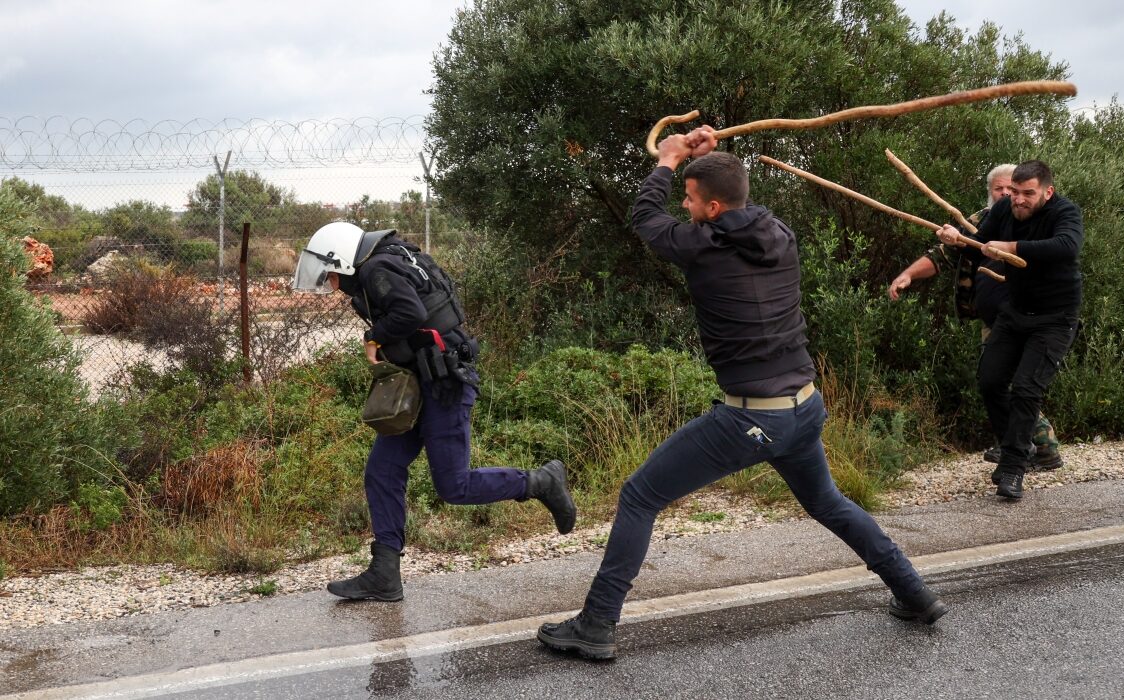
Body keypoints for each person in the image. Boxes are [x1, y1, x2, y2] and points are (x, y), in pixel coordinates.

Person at [536, 128, 946, 661]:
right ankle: (914, 593)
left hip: (754, 419)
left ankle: (595, 625)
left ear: (710, 207)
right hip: (803, 406)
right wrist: (705, 162)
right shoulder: (780, 232)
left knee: (640, 495)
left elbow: (644, 217)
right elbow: (738, 202)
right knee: (827, 502)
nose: (681, 207)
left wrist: (667, 160)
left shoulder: (703, 248)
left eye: (689, 200)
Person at [292, 223, 577, 601]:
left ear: (341, 260)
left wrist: (373, 336)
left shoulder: (377, 269)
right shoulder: (391, 259)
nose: (329, 282)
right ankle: (384, 573)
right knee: (383, 468)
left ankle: (540, 481)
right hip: (420, 379)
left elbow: (409, 312)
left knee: (454, 486)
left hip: (444, 382)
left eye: (330, 273)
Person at [888, 165, 1062, 472]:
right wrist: (908, 275)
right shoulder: (982, 221)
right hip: (994, 320)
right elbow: (944, 254)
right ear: (990, 192)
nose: (1007, 195)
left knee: (1016, 382)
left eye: (1014, 189)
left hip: (1030, 318)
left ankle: (1041, 448)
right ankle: (1019, 444)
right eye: (1000, 189)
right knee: (994, 380)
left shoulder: (1038, 220)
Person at [934, 160, 1082, 500]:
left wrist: (1011, 248)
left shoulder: (1065, 213)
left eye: (1027, 194)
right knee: (990, 379)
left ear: (1047, 192)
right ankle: (1019, 446)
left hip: (1055, 319)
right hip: (1015, 314)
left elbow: (1066, 247)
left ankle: (1014, 468)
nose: (1018, 200)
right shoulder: (1003, 209)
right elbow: (982, 242)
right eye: (1014, 192)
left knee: (1027, 389)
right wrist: (956, 240)